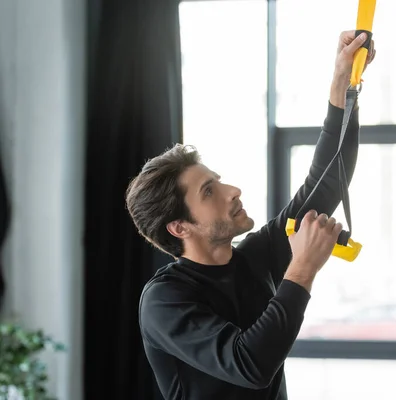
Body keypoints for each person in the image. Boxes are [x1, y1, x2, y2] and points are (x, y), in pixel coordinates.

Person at [126, 30, 376, 400]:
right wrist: (302, 269)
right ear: (180, 227)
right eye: (209, 192)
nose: (233, 191)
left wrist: (344, 81)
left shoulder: (256, 256)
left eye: (219, 181)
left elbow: (328, 180)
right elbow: (250, 364)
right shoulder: (165, 300)